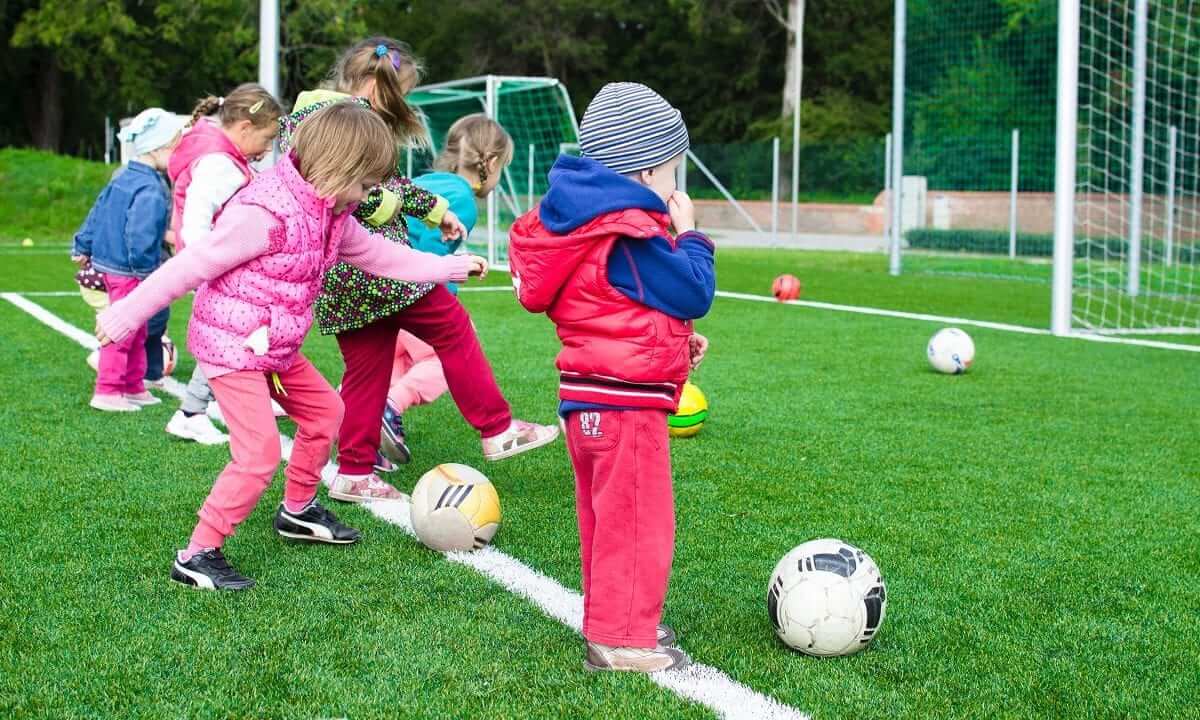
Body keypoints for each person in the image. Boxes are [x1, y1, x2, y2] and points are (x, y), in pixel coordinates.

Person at [94, 102, 487, 591]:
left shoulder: (332, 211)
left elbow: (378, 255)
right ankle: (196, 554)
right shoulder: (263, 213)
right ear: (337, 169)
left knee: (327, 414)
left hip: (274, 347)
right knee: (258, 454)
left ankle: (297, 511)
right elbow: (190, 266)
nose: (369, 197)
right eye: (366, 186)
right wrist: (126, 315)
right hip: (232, 347)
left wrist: (447, 267)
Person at [279, 37, 557, 505]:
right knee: (452, 326)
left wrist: (435, 211)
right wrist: (396, 210)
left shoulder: (313, 116)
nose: (400, 105)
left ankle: (353, 470)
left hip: (341, 278)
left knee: (368, 369)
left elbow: (387, 183)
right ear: (372, 84)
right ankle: (497, 427)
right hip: (374, 268)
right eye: (398, 93)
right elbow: (357, 193)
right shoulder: (339, 120)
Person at [508, 83, 716, 672]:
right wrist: (692, 234)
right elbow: (693, 289)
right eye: (674, 170)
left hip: (591, 398)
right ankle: (621, 639)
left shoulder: (586, 225)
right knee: (636, 521)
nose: (678, 185)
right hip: (624, 408)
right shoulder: (628, 232)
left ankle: (616, 618)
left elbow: (613, 307)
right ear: (647, 169)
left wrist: (675, 344)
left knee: (607, 520)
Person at [379, 114, 515, 468]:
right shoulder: (463, 201)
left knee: (393, 360)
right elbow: (428, 247)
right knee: (446, 358)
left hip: (378, 288)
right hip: (413, 292)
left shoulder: (426, 181)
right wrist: (451, 272)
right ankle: (390, 407)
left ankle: (360, 424)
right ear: (493, 162)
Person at [162, 83, 284, 446]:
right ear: (245, 128)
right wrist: (208, 265)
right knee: (231, 336)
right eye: (266, 138)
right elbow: (197, 221)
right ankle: (191, 412)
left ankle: (228, 401)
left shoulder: (224, 157)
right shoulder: (220, 165)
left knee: (247, 332)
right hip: (218, 268)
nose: (266, 150)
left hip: (220, 265)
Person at [72, 108, 186, 412]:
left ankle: (133, 386)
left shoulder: (123, 176)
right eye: (175, 147)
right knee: (123, 329)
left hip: (114, 265)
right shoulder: (150, 187)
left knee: (137, 328)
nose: (177, 155)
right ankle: (108, 390)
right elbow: (140, 234)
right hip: (130, 270)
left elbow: (98, 209)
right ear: (159, 148)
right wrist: (147, 273)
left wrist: (82, 243)